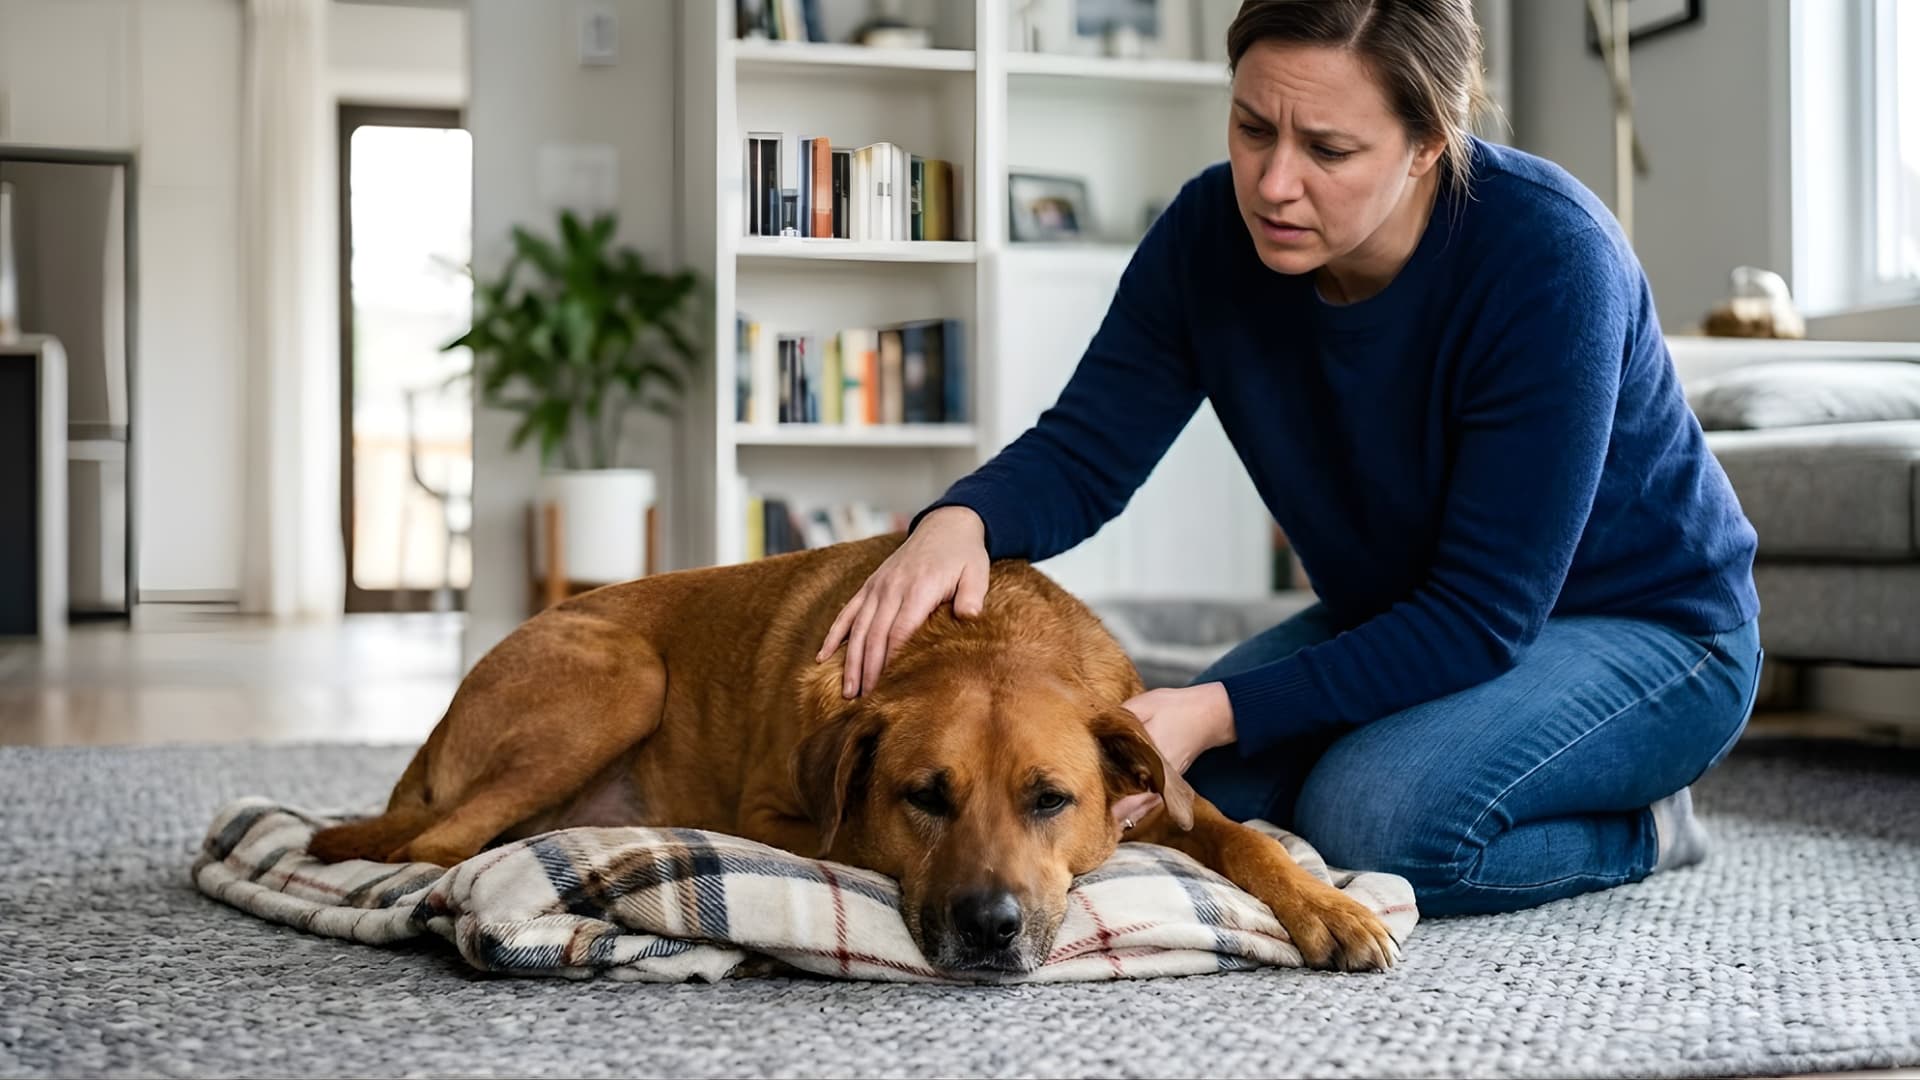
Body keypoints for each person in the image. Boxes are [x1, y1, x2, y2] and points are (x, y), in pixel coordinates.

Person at [815, 0, 1763, 918]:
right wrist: (959, 522)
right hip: (1410, 614)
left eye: (1329, 150)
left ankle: (1641, 825)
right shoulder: (1205, 236)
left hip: (1655, 633)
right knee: (1164, 797)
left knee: (1382, 819)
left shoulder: (1549, 254)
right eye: (1252, 127)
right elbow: (1085, 452)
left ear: (1431, 141)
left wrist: (1218, 705)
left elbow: (1483, 613)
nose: (1273, 182)